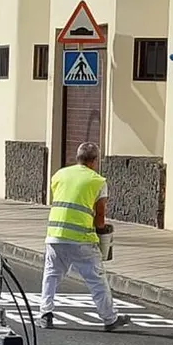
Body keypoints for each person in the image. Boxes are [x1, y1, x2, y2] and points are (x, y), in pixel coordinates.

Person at [39, 142, 131, 332]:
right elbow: (99, 219)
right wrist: (103, 230)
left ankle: (45, 315)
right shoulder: (98, 181)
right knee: (97, 280)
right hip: (81, 239)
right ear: (95, 161)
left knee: (51, 275)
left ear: (77, 157)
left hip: (55, 236)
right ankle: (109, 319)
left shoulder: (59, 175)